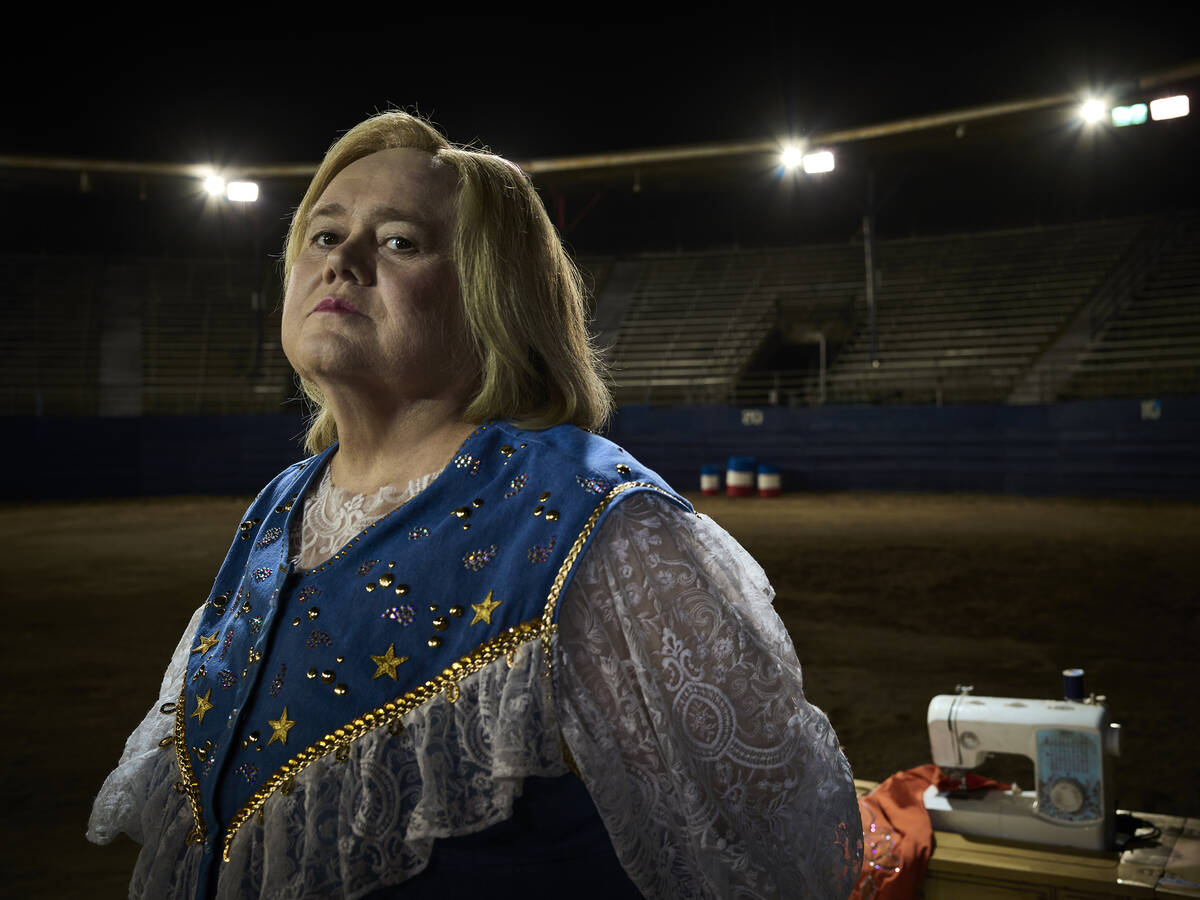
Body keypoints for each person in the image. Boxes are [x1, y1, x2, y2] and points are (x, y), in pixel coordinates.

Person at [88, 111, 863, 899]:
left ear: (496, 297)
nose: (342, 261)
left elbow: (771, 857)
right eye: (323, 235)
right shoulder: (279, 503)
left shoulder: (599, 524)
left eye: (399, 242)